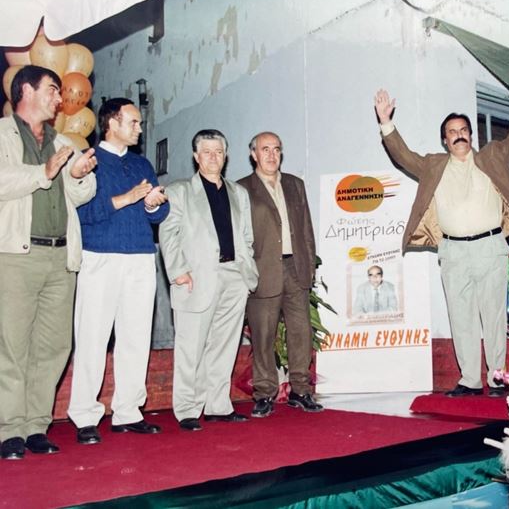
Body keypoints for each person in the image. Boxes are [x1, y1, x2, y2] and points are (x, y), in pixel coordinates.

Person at [374, 63, 509, 398]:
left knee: (493, 316)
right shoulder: (433, 165)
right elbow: (403, 156)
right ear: (445, 140)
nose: (459, 134)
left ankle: (497, 378)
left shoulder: (493, 156)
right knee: (461, 317)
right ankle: (470, 380)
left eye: (463, 129)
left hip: (490, 248)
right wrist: (386, 122)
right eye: (452, 131)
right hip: (453, 252)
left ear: (471, 135)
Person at [0, 65, 97, 460]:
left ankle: (36, 426)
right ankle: (9, 429)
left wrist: (78, 174)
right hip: (16, 255)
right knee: (12, 345)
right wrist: (44, 171)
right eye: (53, 90)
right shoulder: (3, 134)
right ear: (26, 90)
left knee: (54, 346)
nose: (61, 98)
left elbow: (82, 194)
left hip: (61, 256)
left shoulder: (63, 141)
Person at [67, 98, 168, 445]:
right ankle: (84, 415)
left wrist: (153, 204)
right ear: (112, 123)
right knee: (92, 337)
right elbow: (80, 213)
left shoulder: (142, 164)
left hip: (140, 256)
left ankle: (128, 411)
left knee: (136, 337)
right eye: (133, 122)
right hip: (100, 257)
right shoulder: (89, 161)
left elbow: (158, 215)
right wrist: (127, 198)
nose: (140, 128)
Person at [159, 129, 258, 431]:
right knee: (191, 347)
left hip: (234, 277)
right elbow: (168, 233)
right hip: (195, 278)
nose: (213, 157)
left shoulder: (238, 193)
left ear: (225, 156)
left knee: (224, 346)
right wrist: (178, 271)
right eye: (207, 151)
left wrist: (246, 272)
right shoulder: (179, 191)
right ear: (196, 156)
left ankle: (217, 405)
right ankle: (187, 409)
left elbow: (246, 237)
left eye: (218, 151)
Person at [237, 131, 323, 417]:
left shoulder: (295, 185)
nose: (271, 155)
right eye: (265, 149)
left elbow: (306, 229)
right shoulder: (241, 189)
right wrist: (246, 272)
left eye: (276, 149)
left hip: (296, 269)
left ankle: (301, 390)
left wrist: (309, 266)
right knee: (263, 336)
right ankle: (264, 393)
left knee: (301, 332)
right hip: (263, 271)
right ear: (253, 154)